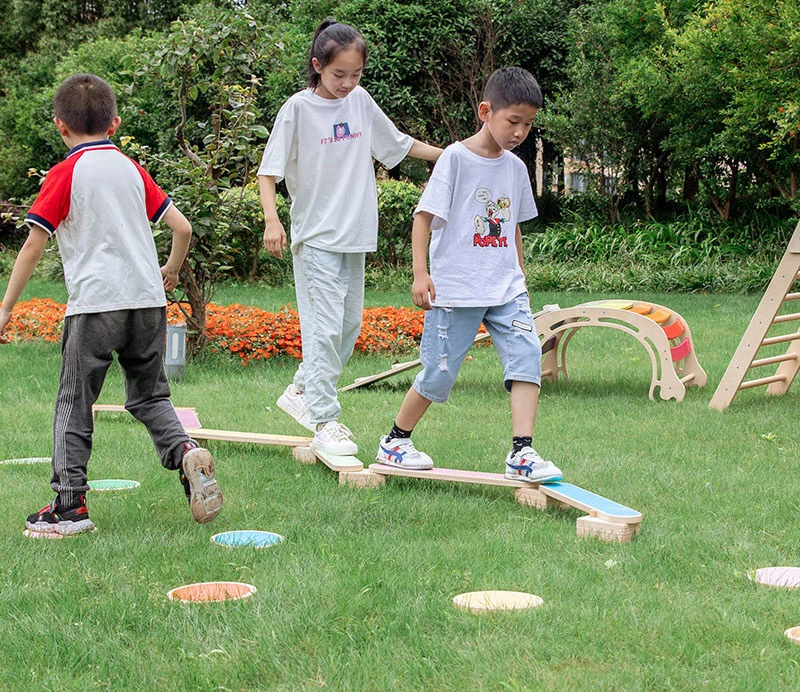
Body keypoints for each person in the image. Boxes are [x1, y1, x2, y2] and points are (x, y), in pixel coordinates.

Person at [0, 74, 222, 535]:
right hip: (147, 302)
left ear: (61, 126)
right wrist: (173, 270)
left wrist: (5, 307)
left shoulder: (65, 172)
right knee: (151, 395)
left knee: (74, 403)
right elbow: (182, 228)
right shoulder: (130, 168)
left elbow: (33, 245)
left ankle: (68, 508)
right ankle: (185, 452)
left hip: (95, 307)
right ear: (115, 123)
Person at [258, 18, 442, 457]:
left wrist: (455, 155)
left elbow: (397, 143)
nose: (347, 83)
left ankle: (302, 389)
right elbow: (269, 172)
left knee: (347, 327)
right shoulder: (297, 110)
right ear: (318, 66)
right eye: (339, 74)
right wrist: (272, 221)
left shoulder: (359, 101)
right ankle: (325, 418)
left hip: (354, 236)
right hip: (316, 237)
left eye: (355, 75)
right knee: (322, 331)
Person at [375, 66, 562, 483]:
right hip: (456, 287)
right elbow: (423, 219)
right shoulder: (455, 159)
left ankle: (522, 453)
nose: (519, 132)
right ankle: (395, 441)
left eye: (528, 124)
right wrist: (420, 274)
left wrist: (521, 275)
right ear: (485, 111)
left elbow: (511, 225)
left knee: (528, 355)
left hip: (505, 288)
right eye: (513, 121)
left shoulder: (515, 168)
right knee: (439, 371)